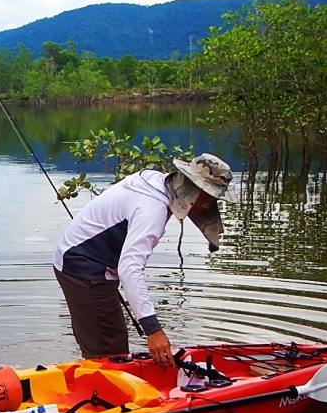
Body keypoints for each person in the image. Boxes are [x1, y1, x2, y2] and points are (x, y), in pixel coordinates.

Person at [52, 153, 236, 366]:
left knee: (109, 342)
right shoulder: (152, 209)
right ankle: (101, 391)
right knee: (111, 354)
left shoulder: (156, 181)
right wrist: (153, 330)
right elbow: (130, 268)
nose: (207, 207)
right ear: (193, 191)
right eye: (209, 199)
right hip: (82, 267)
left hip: (85, 260)